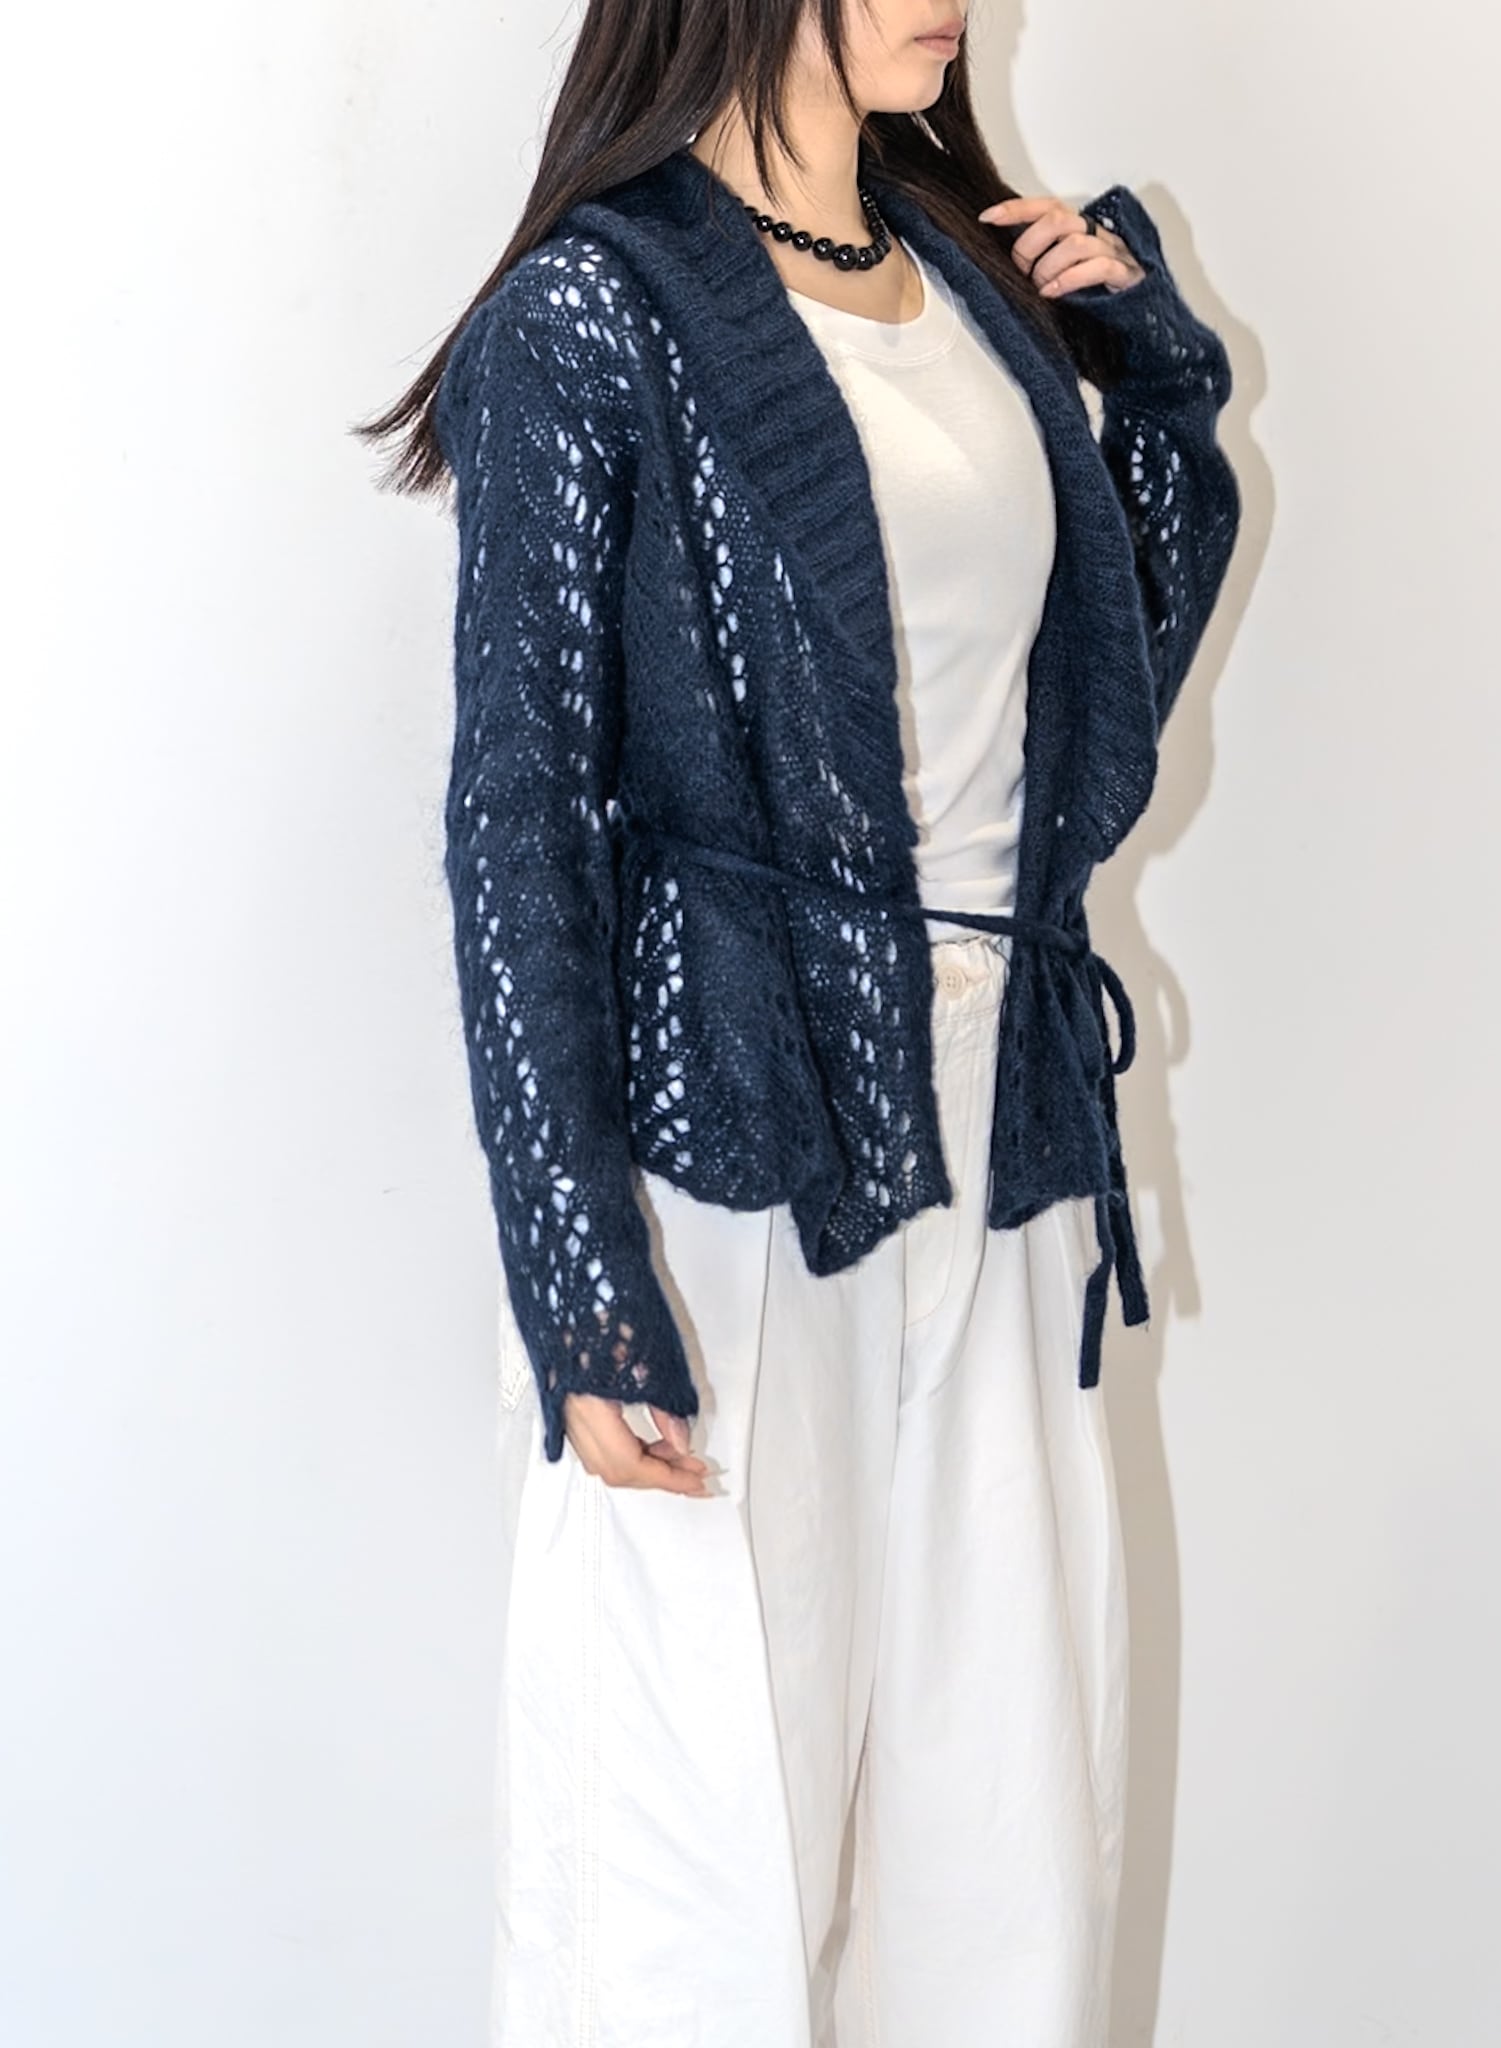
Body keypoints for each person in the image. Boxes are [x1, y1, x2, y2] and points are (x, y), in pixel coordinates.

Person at [361, 2, 1239, 2041]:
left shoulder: (971, 289)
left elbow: (1092, 709)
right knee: (687, 1882)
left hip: (1005, 1162)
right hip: (732, 1179)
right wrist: (579, 1276)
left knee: (1006, 1859)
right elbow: (522, 818)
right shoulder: (594, 316)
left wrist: (1152, 382)